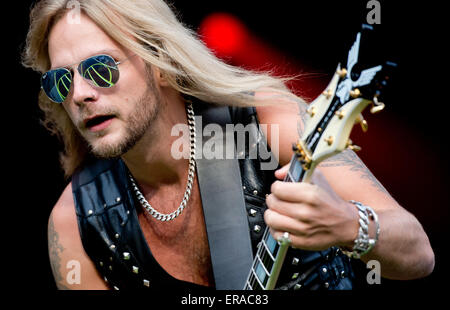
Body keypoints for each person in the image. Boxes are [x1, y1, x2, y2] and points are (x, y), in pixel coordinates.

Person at [22, 0, 434, 290]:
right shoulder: (75, 221)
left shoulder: (270, 125)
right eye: (61, 80)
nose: (79, 94)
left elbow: (418, 254)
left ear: (158, 62)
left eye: (100, 68)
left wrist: (347, 223)